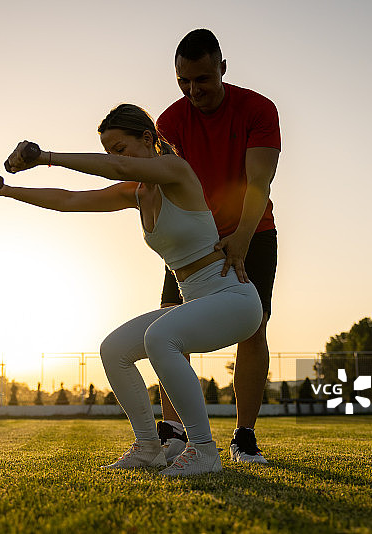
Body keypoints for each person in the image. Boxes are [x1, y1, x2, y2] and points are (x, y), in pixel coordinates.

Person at [0, 104, 263, 476]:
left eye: (120, 148)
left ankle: (203, 450)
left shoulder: (176, 171)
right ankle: (149, 446)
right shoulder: (137, 193)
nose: (116, 158)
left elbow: (117, 169)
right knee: (113, 349)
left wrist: (45, 156)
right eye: (109, 151)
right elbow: (70, 201)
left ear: (148, 139)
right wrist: (7, 191)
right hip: (198, 301)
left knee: (159, 337)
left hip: (234, 300)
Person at [153, 29, 281, 465]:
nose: (194, 90)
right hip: (195, 238)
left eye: (203, 79)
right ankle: (172, 433)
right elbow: (168, 186)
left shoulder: (258, 109)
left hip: (253, 231)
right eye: (184, 82)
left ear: (222, 68)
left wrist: (241, 241)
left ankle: (244, 436)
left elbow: (258, 181)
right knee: (170, 326)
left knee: (254, 326)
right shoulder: (169, 122)